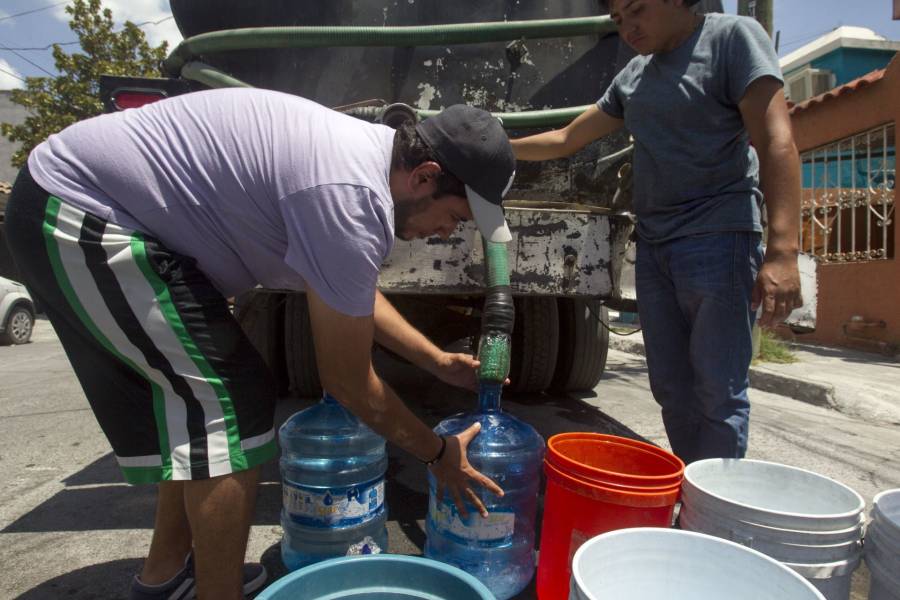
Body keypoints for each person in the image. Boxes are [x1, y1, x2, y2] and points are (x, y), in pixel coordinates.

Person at [4, 89, 513, 599]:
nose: (446, 232)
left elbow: (347, 290)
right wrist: (438, 453)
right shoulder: (348, 193)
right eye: (456, 216)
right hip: (82, 214)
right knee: (231, 404)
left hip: (103, 213)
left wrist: (438, 361)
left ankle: (164, 578)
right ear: (424, 175)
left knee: (201, 413)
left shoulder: (362, 164)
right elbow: (349, 380)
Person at [511, 0, 803, 464]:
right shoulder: (634, 77)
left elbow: (775, 141)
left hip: (719, 238)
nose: (628, 27)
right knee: (671, 388)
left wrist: (784, 251)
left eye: (638, 10)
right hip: (655, 246)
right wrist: (496, 148)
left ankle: (714, 514)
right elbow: (567, 139)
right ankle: (692, 494)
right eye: (618, 19)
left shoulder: (732, 38)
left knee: (718, 392)